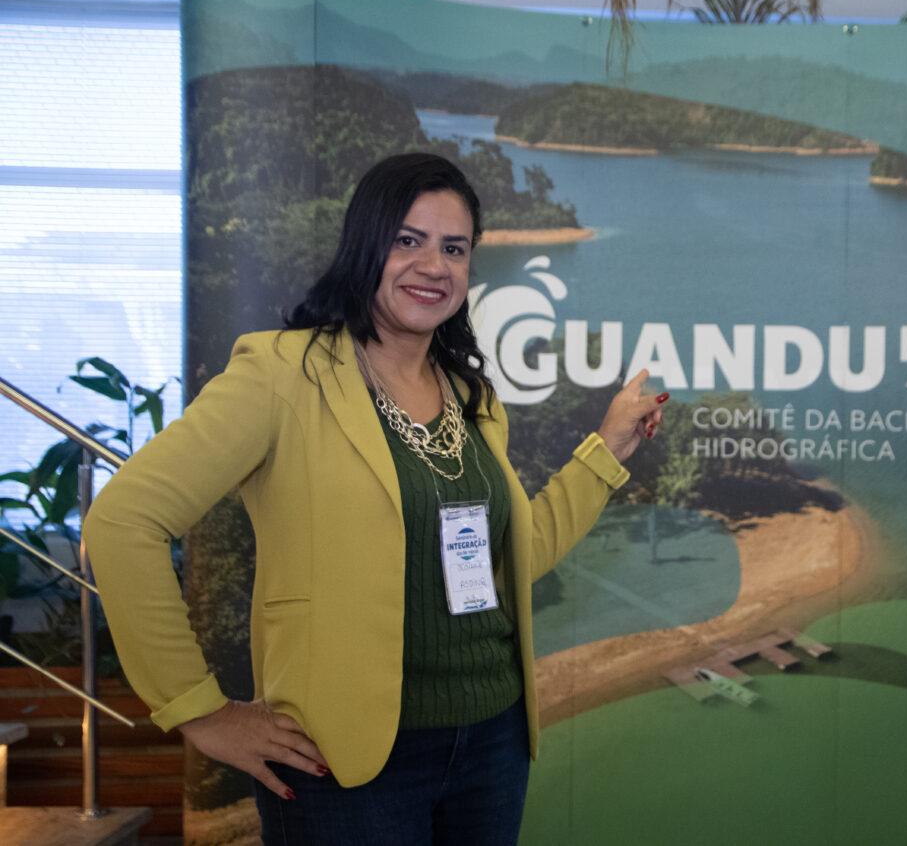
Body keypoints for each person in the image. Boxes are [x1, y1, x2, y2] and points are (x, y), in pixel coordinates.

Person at [83, 152, 666, 844]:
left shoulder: (470, 397)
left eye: (454, 248)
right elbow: (123, 521)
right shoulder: (281, 375)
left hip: (491, 742)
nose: (434, 266)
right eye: (408, 240)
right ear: (366, 246)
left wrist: (607, 451)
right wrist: (199, 710)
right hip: (344, 762)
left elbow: (512, 557)